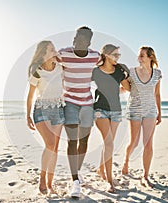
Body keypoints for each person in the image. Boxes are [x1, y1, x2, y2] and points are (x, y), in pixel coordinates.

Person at [59, 26, 100, 198]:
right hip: (69, 102)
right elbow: (48, 61)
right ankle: (75, 181)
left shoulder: (95, 56)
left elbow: (108, 65)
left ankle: (76, 170)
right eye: (75, 38)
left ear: (88, 43)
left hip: (87, 104)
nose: (76, 41)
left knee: (83, 141)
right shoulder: (64, 54)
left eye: (80, 39)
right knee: (71, 141)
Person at [26, 41, 65, 195]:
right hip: (41, 110)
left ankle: (50, 184)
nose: (55, 50)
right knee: (49, 144)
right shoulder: (37, 71)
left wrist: (60, 57)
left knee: (54, 148)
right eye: (51, 49)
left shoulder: (60, 67)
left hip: (58, 109)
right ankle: (42, 178)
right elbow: (30, 97)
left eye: (54, 48)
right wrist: (27, 116)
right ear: (43, 53)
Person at [92, 44, 130, 193]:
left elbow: (128, 88)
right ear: (106, 55)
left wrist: (115, 90)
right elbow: (80, 81)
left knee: (109, 144)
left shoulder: (119, 72)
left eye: (119, 55)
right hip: (100, 110)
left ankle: (101, 169)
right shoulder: (95, 72)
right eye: (115, 55)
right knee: (109, 143)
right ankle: (109, 181)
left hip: (115, 111)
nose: (118, 57)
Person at [122, 46, 162, 188]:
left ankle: (145, 176)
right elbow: (126, 88)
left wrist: (159, 113)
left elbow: (157, 94)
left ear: (150, 57)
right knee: (134, 142)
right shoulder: (131, 72)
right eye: (139, 56)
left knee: (148, 144)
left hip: (150, 110)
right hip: (134, 110)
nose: (139, 58)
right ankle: (126, 160)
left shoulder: (157, 74)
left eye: (142, 56)